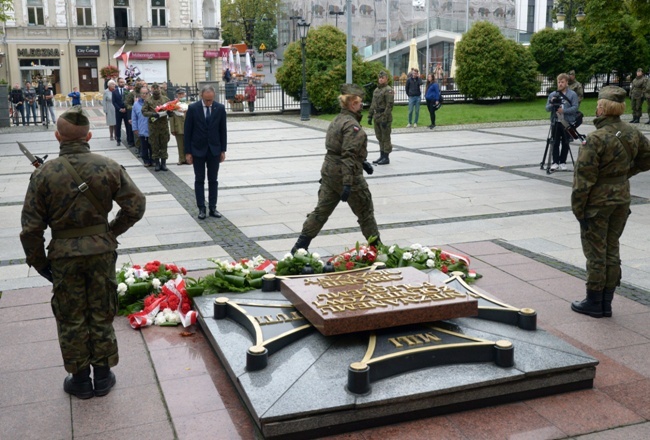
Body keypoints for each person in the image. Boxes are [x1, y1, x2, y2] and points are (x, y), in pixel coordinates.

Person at [19, 106, 146, 399]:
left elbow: (31, 228)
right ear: (89, 135)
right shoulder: (109, 166)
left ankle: (79, 379)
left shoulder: (44, 175)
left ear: (57, 137)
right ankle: (103, 376)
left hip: (63, 256)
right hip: (101, 252)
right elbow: (136, 205)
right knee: (101, 311)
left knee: (71, 315)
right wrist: (111, 232)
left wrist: (39, 264)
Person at [571, 86, 650, 318]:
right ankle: (607, 301)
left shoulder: (596, 139)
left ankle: (594, 301)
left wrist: (578, 209)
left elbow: (583, 180)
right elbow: (647, 158)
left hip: (598, 203)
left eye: (598, 104)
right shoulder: (631, 132)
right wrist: (625, 173)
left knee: (596, 251)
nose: (596, 107)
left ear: (603, 108)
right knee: (612, 248)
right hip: (621, 198)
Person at [291, 84, 380, 254]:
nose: (362, 105)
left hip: (330, 174)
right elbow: (347, 155)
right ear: (352, 104)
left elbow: (337, 148)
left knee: (320, 212)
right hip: (347, 175)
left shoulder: (337, 120)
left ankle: (299, 247)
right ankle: (378, 249)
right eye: (360, 103)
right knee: (365, 213)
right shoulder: (351, 125)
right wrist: (347, 183)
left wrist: (363, 162)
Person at [184, 84, 227, 219]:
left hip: (214, 150)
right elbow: (187, 131)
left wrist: (223, 150)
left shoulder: (219, 108)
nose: (209, 103)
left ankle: (213, 207)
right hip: (198, 150)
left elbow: (222, 130)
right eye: (207, 100)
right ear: (201, 96)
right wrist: (188, 152)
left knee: (213, 180)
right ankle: (201, 208)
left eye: (211, 100)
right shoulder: (193, 108)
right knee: (199, 179)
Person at [545, 73, 579, 171]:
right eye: (559, 82)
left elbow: (575, 107)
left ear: (567, 83)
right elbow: (547, 108)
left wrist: (564, 111)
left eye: (562, 82)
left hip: (567, 122)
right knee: (555, 142)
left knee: (565, 142)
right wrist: (552, 103)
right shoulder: (553, 94)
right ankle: (555, 162)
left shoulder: (572, 94)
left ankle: (563, 162)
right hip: (555, 121)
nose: (560, 84)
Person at [142, 83, 171, 171]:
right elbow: (143, 112)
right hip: (153, 126)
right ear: (151, 89)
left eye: (157, 87)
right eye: (153, 88)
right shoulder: (148, 100)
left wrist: (170, 113)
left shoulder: (165, 99)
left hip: (163, 126)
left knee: (164, 144)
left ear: (160, 88)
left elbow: (171, 110)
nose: (156, 89)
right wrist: (153, 114)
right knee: (154, 145)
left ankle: (163, 163)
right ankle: (157, 163)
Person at [367, 71, 394, 165]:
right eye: (380, 78)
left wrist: (385, 118)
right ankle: (382, 155)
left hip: (384, 115)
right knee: (379, 137)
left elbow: (389, 105)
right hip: (377, 116)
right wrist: (370, 116)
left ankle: (386, 157)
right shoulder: (376, 90)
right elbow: (373, 104)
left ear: (386, 79)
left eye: (383, 78)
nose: (381, 79)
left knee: (385, 137)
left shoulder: (388, 90)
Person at [131, 86, 153, 167]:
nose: (144, 95)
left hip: (152, 128)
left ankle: (153, 160)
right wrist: (135, 128)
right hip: (142, 128)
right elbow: (134, 118)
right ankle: (146, 160)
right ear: (140, 94)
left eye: (146, 93)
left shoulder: (152, 103)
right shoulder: (136, 104)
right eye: (143, 93)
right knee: (144, 146)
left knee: (152, 146)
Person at [112, 77, 134, 147]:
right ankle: (118, 139)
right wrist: (119, 109)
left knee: (128, 126)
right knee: (118, 126)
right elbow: (114, 102)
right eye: (121, 82)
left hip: (126, 111)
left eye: (123, 82)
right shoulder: (114, 91)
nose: (122, 83)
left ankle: (129, 140)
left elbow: (128, 101)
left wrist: (125, 108)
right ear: (118, 83)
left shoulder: (127, 91)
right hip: (118, 111)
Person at [170, 88, 188, 165]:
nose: (181, 95)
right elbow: (171, 118)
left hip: (187, 127)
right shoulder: (173, 104)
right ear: (177, 95)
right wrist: (172, 129)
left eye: (182, 94)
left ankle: (188, 158)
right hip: (178, 127)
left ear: (185, 94)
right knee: (180, 144)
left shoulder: (188, 104)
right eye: (179, 94)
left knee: (188, 144)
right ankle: (181, 159)